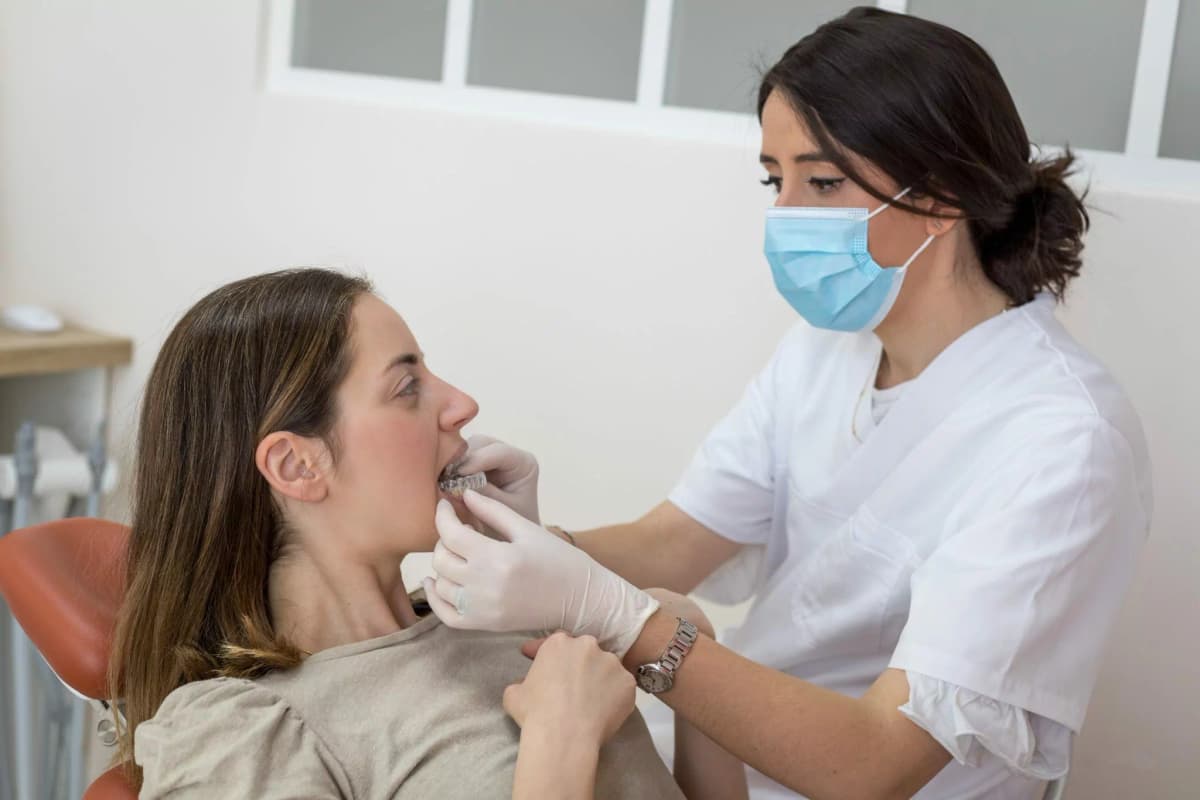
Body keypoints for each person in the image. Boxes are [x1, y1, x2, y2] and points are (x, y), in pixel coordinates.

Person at [426, 7, 1152, 800]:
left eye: (824, 181)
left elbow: (876, 763)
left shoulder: (1064, 442)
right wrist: (535, 544)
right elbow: (677, 543)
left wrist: (616, 617)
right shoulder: (829, 347)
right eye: (778, 181)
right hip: (728, 748)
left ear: (944, 194)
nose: (787, 217)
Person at [108, 269, 735, 798]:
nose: (462, 405)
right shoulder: (239, 732)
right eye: (407, 387)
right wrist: (559, 743)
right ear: (297, 466)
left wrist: (692, 656)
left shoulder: (515, 629)